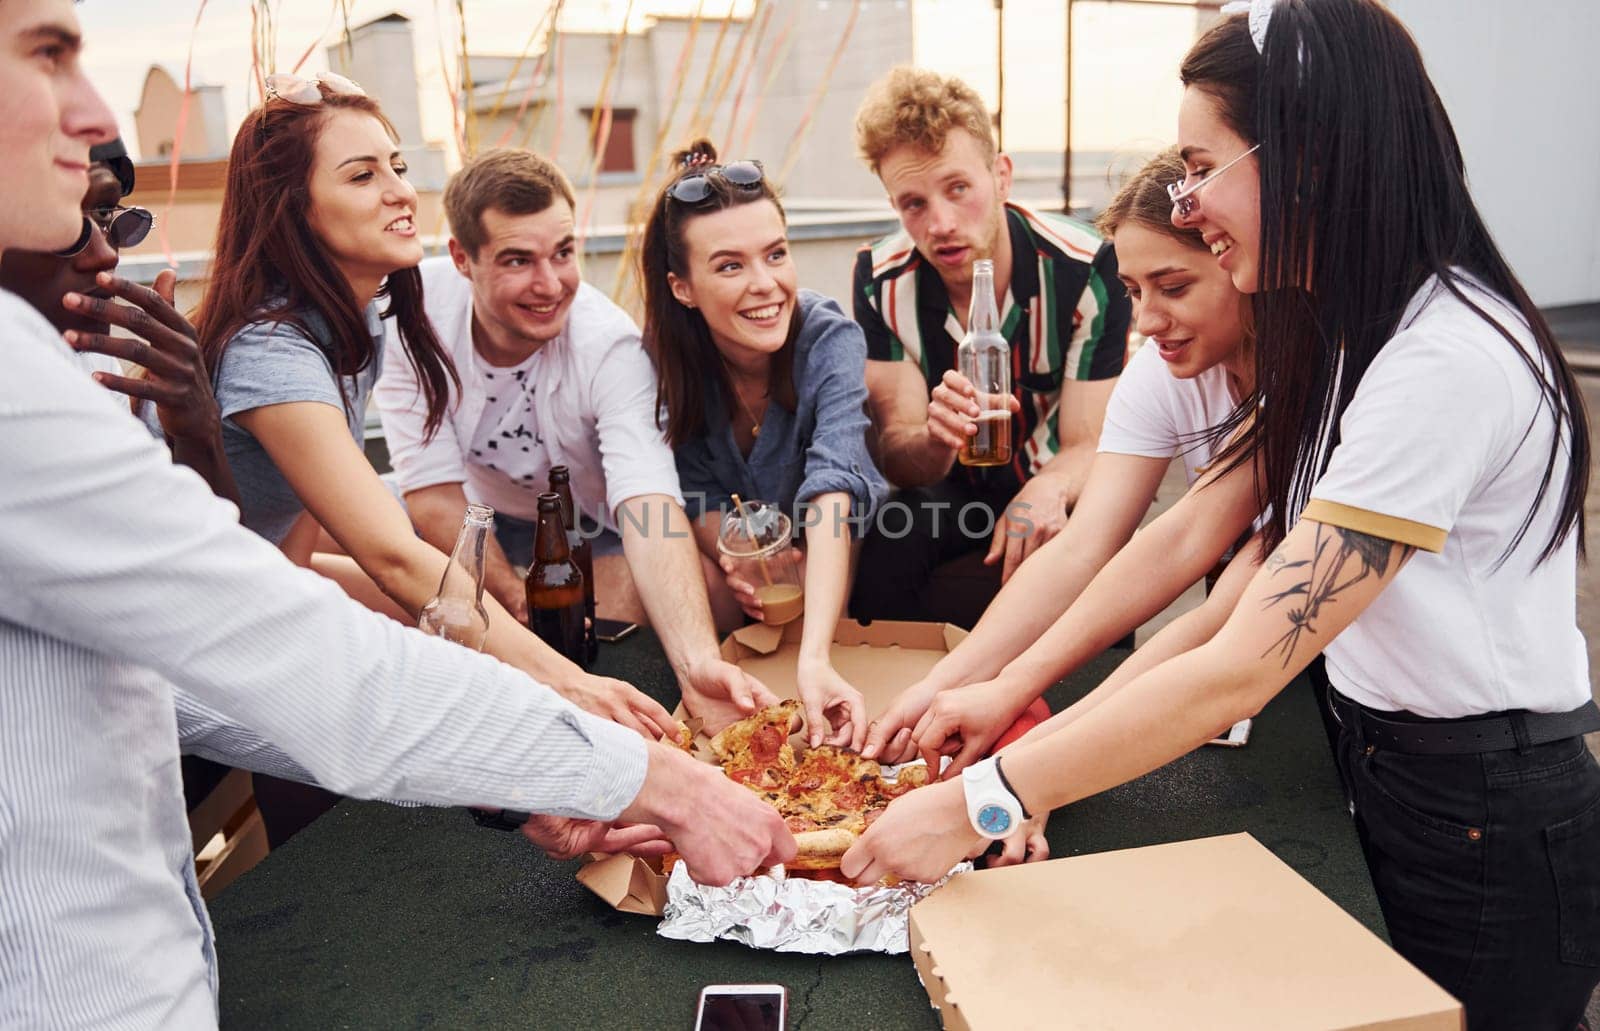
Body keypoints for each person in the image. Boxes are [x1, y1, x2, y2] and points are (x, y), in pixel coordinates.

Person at [0, 4, 793, 1025]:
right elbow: (353, 581)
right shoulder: (250, 347)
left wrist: (519, 773)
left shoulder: (372, 324)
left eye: (395, 165)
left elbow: (181, 666)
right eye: (49, 55)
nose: (99, 114)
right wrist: (622, 752)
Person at [844, 5, 1600, 1028]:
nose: (1190, 200)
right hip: (1395, 772)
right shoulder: (1353, 344)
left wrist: (989, 794)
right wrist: (993, 689)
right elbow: (1173, 539)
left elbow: (1244, 654)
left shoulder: (1442, 360)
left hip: (1484, 812)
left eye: (1202, 165)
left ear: (1308, 154)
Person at [862, 147, 1264, 766]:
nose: (1148, 321)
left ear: (1238, 259)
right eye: (1132, 291)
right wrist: (951, 683)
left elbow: (1204, 569)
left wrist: (1025, 742)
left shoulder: (1313, 384)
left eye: (1174, 286)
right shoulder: (1161, 373)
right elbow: (1089, 546)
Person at [375, 147, 777, 733]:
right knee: (373, 560)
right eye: (517, 260)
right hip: (473, 520)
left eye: (563, 253)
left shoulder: (607, 345)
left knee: (711, 597)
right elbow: (433, 496)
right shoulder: (415, 316)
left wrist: (697, 669)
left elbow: (648, 502)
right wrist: (519, 601)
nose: (550, 284)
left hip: (586, 535)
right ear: (463, 258)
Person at [847, 67, 1133, 626]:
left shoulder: (1086, 267)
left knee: (1099, 529)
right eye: (913, 204)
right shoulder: (881, 280)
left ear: (1001, 176)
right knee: (893, 527)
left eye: (958, 188)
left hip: (1050, 476)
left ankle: (1082, 705)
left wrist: (1050, 487)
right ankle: (879, 694)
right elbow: (899, 456)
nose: (941, 224)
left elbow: (1090, 442)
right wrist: (935, 438)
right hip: (952, 492)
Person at [637, 140, 889, 749]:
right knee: (681, 575)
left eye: (775, 254)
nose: (765, 285)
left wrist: (816, 660)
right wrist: (740, 554)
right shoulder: (660, 363)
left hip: (839, 557)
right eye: (729, 266)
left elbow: (836, 485)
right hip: (747, 575)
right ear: (682, 288)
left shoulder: (828, 336)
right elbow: (687, 494)